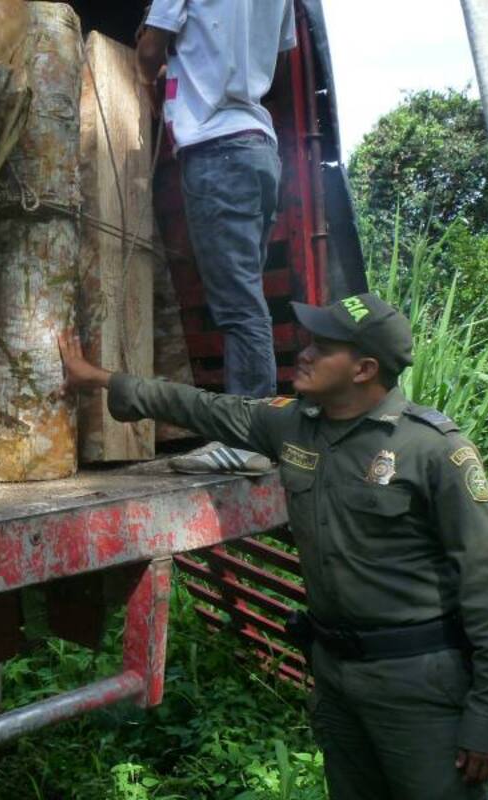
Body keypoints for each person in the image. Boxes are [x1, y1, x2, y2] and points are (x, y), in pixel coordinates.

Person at [59, 292, 488, 800]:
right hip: (335, 675)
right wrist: (102, 380)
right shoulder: (295, 425)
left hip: (416, 683)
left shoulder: (432, 450)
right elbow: (204, 407)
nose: (303, 353)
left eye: (322, 346)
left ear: (364, 369)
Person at [136, 0, 297, 473]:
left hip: (216, 149)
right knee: (245, 297)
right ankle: (248, 430)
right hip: (257, 147)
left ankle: (245, 437)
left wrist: (151, 84)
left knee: (237, 304)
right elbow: (281, 57)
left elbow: (149, 50)